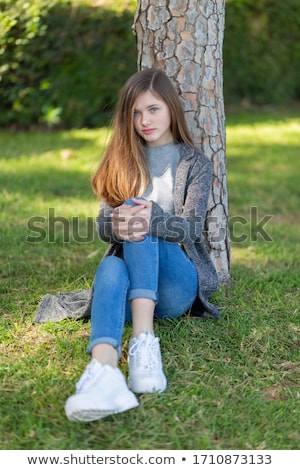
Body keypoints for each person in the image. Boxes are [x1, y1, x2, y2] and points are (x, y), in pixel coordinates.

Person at [64, 67, 221, 422]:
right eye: (136, 112)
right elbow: (105, 226)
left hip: (175, 284)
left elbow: (191, 228)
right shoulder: (122, 158)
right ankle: (103, 371)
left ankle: (143, 342)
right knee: (109, 264)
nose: (144, 120)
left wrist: (148, 216)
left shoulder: (194, 163)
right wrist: (118, 221)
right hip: (132, 281)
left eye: (153, 109)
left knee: (141, 217)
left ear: (170, 109)